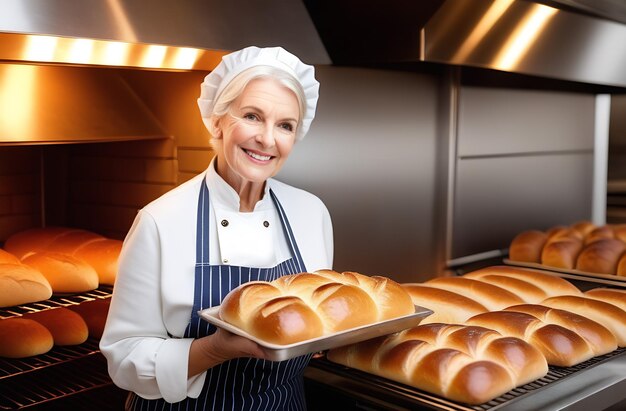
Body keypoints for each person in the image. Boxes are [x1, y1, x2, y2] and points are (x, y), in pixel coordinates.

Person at [100, 46, 334, 410]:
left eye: (285, 125)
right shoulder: (160, 220)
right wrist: (213, 350)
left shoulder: (311, 212)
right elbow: (125, 358)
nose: (268, 140)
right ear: (217, 119)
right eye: (253, 116)